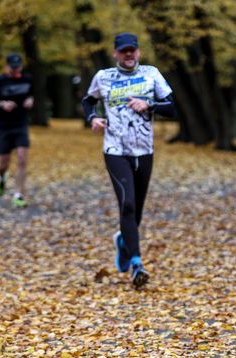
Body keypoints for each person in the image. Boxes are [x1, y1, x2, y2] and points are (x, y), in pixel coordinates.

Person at [81, 32, 175, 288]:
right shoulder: (103, 77)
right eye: (124, 51)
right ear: (115, 54)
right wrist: (92, 118)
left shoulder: (151, 73)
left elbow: (172, 106)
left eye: (132, 50)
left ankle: (123, 241)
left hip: (144, 150)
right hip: (115, 149)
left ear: (138, 52)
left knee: (137, 210)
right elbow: (88, 101)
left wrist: (149, 105)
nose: (129, 54)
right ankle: (136, 263)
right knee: (128, 205)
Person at [0, 53, 34, 208]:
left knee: (21, 159)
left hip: (21, 124)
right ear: (7, 67)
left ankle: (18, 195)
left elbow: (32, 95)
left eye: (18, 67)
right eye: (13, 67)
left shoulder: (27, 79)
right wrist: (2, 104)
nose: (16, 70)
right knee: (3, 163)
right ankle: (2, 178)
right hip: (4, 126)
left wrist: (30, 100)